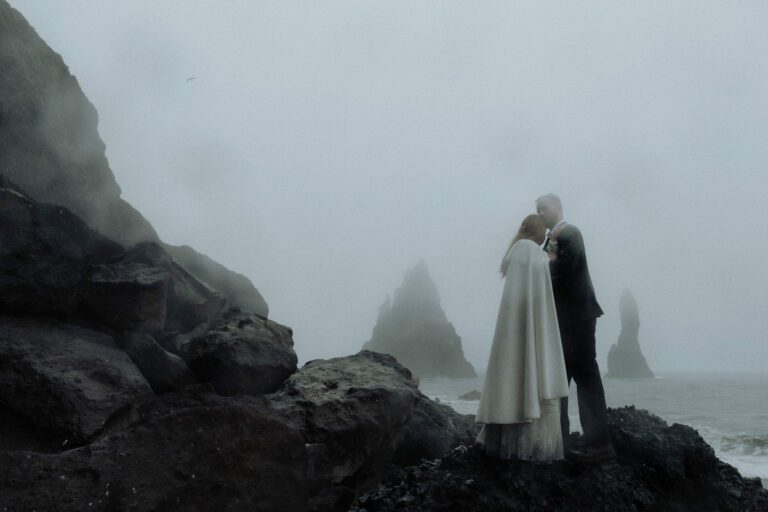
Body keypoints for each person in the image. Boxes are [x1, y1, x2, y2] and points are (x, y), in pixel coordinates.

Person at [475, 214, 569, 462]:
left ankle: (506, 438)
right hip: (528, 320)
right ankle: (527, 447)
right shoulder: (528, 249)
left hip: (514, 324)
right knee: (531, 369)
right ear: (538, 232)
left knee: (512, 375)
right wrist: (553, 253)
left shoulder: (516, 250)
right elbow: (543, 271)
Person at [536, 193, 615, 462]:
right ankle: (562, 442)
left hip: (579, 317)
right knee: (561, 377)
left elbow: (565, 267)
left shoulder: (571, 232)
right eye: (538, 210)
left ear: (558, 207)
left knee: (585, 376)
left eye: (544, 208)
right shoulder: (551, 239)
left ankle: (600, 445)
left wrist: (539, 266)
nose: (541, 213)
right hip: (562, 319)